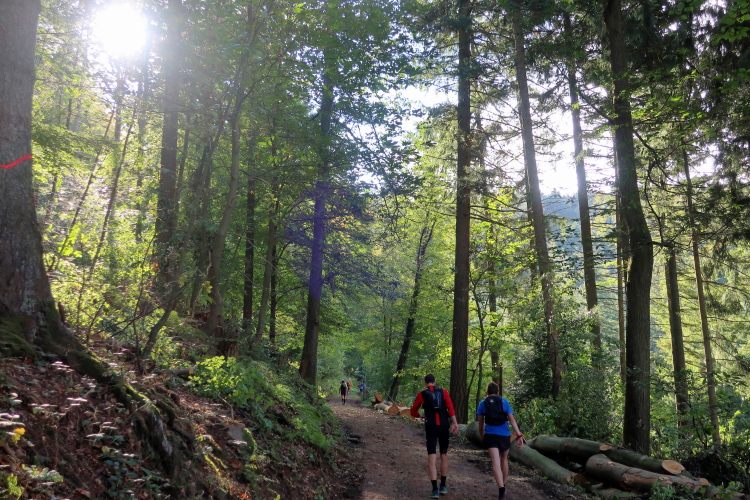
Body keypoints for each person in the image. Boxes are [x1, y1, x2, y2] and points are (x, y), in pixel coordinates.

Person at [410, 374, 459, 498]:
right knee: (444, 454)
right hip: (444, 426)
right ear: (435, 382)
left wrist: (420, 416)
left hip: (431, 427)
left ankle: (434, 490)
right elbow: (450, 408)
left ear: (425, 383)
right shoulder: (444, 392)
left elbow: (412, 411)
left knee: (432, 457)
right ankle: (443, 486)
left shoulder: (422, 394)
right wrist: (455, 423)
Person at [476, 381, 524, 499]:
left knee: (495, 462)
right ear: (498, 392)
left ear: (487, 393)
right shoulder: (504, 402)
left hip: (490, 435)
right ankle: (504, 485)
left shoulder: (483, 403)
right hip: (504, 435)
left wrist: (483, 436)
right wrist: (519, 435)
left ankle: (501, 490)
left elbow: (480, 424)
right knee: (504, 459)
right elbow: (512, 420)